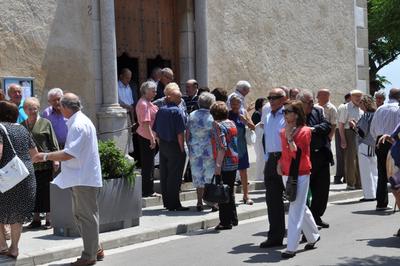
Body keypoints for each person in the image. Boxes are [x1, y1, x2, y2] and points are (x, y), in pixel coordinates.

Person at [33, 93, 104, 266]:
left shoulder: (78, 125)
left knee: (85, 217)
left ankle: (89, 256)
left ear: (64, 107)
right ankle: (95, 249)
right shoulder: (80, 121)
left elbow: (68, 154)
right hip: (82, 177)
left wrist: (44, 156)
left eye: (60, 106)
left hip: (83, 178)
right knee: (82, 216)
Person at [278, 100, 320, 259]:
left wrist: (289, 138)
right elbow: (284, 153)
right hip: (287, 173)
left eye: (287, 111)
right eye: (284, 111)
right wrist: (279, 163)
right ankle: (314, 235)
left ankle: (291, 247)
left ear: (296, 114)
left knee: (295, 208)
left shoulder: (305, 131)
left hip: (301, 172)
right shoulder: (282, 131)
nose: (284, 114)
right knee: (300, 205)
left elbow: (297, 153)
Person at [0, 101, 39, 259]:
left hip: (5, 176)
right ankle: (14, 248)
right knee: (18, 212)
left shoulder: (0, 128)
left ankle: (2, 245)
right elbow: (35, 155)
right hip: (25, 175)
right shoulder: (23, 129)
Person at [22, 97, 59, 229]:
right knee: (33, 191)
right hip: (30, 164)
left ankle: (49, 219)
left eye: (35, 108)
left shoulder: (46, 123)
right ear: (25, 110)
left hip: (45, 162)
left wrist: (55, 159)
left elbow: (53, 142)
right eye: (30, 109)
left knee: (46, 191)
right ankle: (36, 219)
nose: (33, 111)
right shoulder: (22, 125)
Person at [152, 83, 188, 211]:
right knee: (175, 176)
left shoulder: (161, 110)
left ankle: (167, 202)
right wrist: (182, 149)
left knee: (165, 175)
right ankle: (174, 204)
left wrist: (160, 145)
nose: (180, 101)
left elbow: (155, 131)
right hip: (174, 146)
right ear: (174, 99)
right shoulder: (177, 112)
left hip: (163, 146)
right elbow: (180, 133)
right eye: (179, 98)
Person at [299, 90, 332, 229]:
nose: (312, 104)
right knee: (306, 191)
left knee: (322, 189)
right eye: (309, 102)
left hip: (322, 155)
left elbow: (326, 126)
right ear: (301, 103)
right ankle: (307, 220)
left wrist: (312, 129)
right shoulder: (296, 116)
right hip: (306, 157)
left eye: (312, 101)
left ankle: (316, 216)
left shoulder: (317, 112)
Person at [260, 88, 286, 248]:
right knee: (272, 200)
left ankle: (308, 232)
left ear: (283, 99)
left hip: (285, 159)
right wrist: (268, 158)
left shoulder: (289, 114)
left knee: (296, 199)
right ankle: (275, 236)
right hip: (271, 160)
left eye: (275, 97)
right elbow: (267, 138)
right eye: (269, 97)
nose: (271, 100)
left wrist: (283, 159)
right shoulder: (268, 116)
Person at [210, 101, 239, 230]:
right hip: (234, 159)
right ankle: (233, 218)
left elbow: (222, 147)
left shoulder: (218, 125)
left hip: (224, 161)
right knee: (230, 190)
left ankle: (225, 221)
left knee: (222, 192)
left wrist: (217, 165)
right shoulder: (231, 123)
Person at [370, 88, 400, 210]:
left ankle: (381, 202)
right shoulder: (398, 108)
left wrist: (377, 141)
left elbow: (373, 128)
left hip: (380, 141)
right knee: (396, 173)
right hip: (394, 142)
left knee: (382, 172)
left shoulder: (380, 109)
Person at [187, 92, 216, 211]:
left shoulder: (192, 115)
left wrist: (189, 146)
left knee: (198, 175)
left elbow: (187, 133)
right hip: (209, 150)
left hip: (195, 149)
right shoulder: (212, 116)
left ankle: (199, 201)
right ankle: (213, 201)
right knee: (210, 175)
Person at [228, 95, 255, 204]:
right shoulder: (227, 114)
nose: (235, 106)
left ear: (240, 104)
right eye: (233, 104)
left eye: (237, 104)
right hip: (231, 148)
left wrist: (245, 121)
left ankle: (246, 195)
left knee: (243, 171)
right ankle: (231, 196)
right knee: (231, 172)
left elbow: (253, 127)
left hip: (242, 147)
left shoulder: (243, 113)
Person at [135, 81, 159, 197]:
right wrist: (152, 139)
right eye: (153, 91)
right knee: (148, 165)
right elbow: (146, 123)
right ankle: (148, 191)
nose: (155, 93)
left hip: (148, 135)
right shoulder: (143, 103)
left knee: (150, 164)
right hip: (146, 136)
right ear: (146, 91)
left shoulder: (148, 103)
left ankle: (149, 189)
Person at [353, 95, 378, 201]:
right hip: (374, 145)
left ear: (365, 104)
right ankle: (376, 193)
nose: (360, 106)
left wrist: (354, 126)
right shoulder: (376, 114)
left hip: (364, 145)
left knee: (365, 171)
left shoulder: (366, 115)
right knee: (374, 171)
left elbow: (362, 133)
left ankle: (369, 195)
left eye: (361, 103)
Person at [338, 90, 363, 190]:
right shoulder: (345, 107)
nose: (358, 98)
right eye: (356, 96)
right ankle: (350, 183)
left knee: (359, 159)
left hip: (359, 134)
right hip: (349, 133)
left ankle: (359, 183)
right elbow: (341, 125)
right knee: (350, 160)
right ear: (351, 97)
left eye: (359, 96)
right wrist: (343, 139)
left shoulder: (361, 109)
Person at [334, 93, 351, 184]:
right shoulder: (343, 107)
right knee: (341, 155)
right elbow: (341, 124)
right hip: (341, 131)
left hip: (346, 131)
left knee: (347, 156)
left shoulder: (349, 107)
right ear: (348, 98)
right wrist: (343, 138)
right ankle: (338, 177)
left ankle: (345, 176)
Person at [252, 98, 267, 181]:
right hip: (258, 139)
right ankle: (259, 177)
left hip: (261, 139)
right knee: (260, 157)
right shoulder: (257, 114)